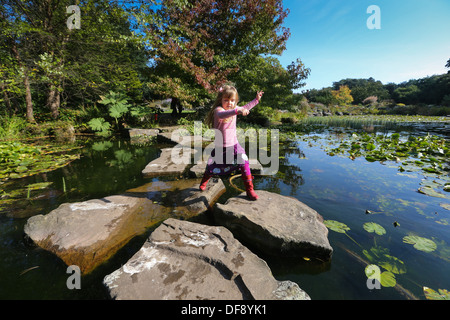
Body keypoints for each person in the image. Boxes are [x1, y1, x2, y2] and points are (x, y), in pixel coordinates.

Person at [199, 85, 264, 200]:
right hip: (220, 147)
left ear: (236, 101)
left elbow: (246, 107)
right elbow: (223, 114)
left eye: (232, 100)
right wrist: (237, 110)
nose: (229, 103)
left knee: (244, 162)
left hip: (234, 145)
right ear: (221, 100)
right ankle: (204, 182)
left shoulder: (235, 109)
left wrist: (256, 100)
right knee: (211, 168)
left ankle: (250, 190)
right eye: (226, 100)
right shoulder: (218, 110)